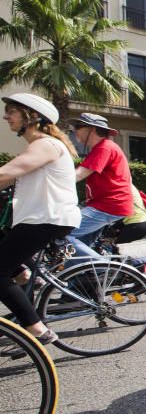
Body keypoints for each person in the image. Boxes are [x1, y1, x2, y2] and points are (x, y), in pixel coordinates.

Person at [0, 93, 81, 346]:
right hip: (38, 219)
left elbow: (8, 173)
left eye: (12, 111)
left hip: (46, 219)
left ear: (32, 116)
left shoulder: (45, 144)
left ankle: (37, 330)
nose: (6, 116)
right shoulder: (42, 145)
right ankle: (23, 274)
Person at [65, 113, 133, 259]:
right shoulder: (101, 148)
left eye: (78, 126)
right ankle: (75, 280)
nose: (74, 130)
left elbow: (78, 175)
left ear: (93, 129)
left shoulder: (105, 147)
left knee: (63, 233)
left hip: (107, 206)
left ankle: (104, 266)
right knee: (78, 251)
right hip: (106, 205)